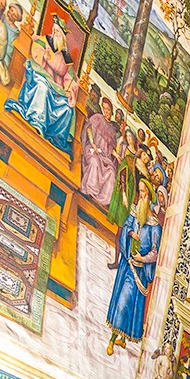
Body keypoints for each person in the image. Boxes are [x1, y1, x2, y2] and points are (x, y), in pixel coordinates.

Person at [4, 14, 76, 153]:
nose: (55, 34)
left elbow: (70, 78)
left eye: (58, 33)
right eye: (54, 31)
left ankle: (56, 136)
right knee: (42, 87)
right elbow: (35, 50)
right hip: (39, 74)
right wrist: (44, 55)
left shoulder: (66, 55)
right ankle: (37, 121)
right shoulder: (45, 40)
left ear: (63, 37)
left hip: (56, 86)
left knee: (67, 107)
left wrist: (68, 89)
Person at [106, 195, 161, 355]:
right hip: (128, 267)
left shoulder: (155, 226)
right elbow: (126, 226)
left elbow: (155, 251)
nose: (141, 197)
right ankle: (111, 339)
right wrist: (130, 233)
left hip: (140, 271)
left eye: (144, 194)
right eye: (140, 193)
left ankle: (122, 339)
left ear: (150, 199)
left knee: (132, 306)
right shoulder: (136, 213)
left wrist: (142, 259)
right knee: (122, 302)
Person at [80, 94, 120, 206]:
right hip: (92, 149)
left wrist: (116, 155)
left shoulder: (112, 130)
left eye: (108, 109)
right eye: (104, 108)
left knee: (111, 172)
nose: (106, 111)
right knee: (95, 162)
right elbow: (88, 128)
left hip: (104, 156)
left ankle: (103, 200)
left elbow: (110, 147)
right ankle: (89, 191)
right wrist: (92, 143)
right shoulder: (97, 118)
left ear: (111, 111)